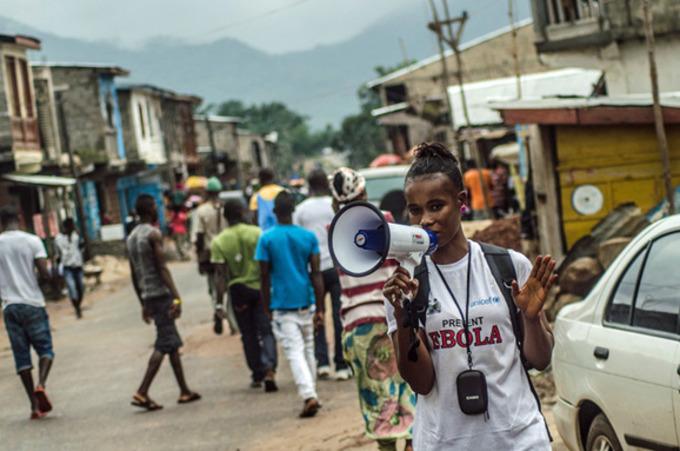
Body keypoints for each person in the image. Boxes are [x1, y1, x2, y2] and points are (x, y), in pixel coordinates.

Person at [382, 142, 557, 449]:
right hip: (445, 442)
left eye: (436, 206)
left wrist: (530, 319)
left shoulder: (508, 265)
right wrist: (403, 315)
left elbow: (541, 360)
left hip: (519, 440)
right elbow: (421, 383)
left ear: (461, 201)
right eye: (415, 210)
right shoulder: (406, 285)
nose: (425, 220)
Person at [329, 168, 415, 451]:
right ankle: (414, 442)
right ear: (364, 193)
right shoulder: (385, 221)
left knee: (376, 395)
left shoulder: (334, 230)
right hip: (390, 315)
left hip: (358, 323)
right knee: (408, 385)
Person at [126, 194, 201, 411]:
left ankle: (184, 390)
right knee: (164, 342)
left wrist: (142, 302)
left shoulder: (131, 239)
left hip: (148, 296)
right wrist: (176, 296)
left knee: (172, 342)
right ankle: (142, 391)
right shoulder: (153, 234)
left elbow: (134, 275)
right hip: (161, 294)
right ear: (151, 210)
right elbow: (162, 269)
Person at [255, 190, 325, 418]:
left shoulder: (266, 239)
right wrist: (321, 308)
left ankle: (309, 395)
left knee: (295, 352)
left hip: (282, 305)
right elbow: (316, 274)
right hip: (307, 301)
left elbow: (264, 276)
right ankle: (311, 392)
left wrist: (266, 306)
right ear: (293, 210)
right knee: (307, 350)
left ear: (275, 212)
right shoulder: (308, 237)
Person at [211, 199, 278, 391]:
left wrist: (218, 304)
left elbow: (220, 276)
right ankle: (269, 367)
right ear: (243, 212)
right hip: (259, 289)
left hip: (238, 291)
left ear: (224, 217)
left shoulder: (219, 241)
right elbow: (267, 265)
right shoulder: (257, 233)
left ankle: (257, 373)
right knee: (265, 330)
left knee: (248, 334)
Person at [293, 168, 350, 380]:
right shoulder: (333, 206)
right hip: (336, 267)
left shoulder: (300, 210)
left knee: (317, 315)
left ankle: (322, 362)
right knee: (338, 316)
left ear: (309, 186)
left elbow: (298, 239)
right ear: (325, 185)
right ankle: (341, 365)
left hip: (312, 270)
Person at [0, 206, 55, 420]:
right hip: (33, 303)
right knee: (45, 350)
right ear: (20, 218)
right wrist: (49, 279)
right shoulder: (32, 241)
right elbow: (44, 274)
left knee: (21, 357)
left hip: (9, 306)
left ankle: (33, 405)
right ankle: (41, 384)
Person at [195, 176, 238, 335]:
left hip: (211, 253)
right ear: (220, 191)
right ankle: (234, 325)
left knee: (214, 288)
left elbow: (199, 236)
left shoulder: (201, 211)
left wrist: (199, 259)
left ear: (207, 192)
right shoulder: (225, 208)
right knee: (230, 288)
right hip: (228, 251)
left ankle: (218, 310)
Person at [54, 217, 85, 318]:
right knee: (72, 289)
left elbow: (81, 247)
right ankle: (77, 309)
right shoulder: (58, 239)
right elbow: (57, 255)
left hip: (78, 265)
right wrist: (57, 270)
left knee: (80, 288)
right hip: (67, 267)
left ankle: (78, 304)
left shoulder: (76, 236)